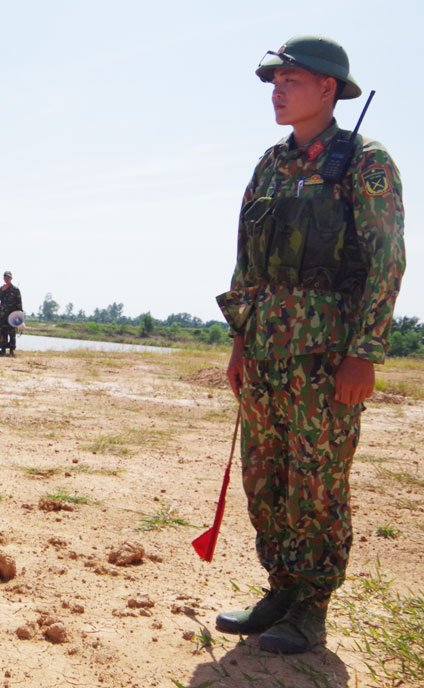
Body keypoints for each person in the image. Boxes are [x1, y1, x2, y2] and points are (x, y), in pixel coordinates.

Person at [215, 36, 404, 654]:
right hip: (266, 350)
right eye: (274, 81)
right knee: (264, 478)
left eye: (290, 80)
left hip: (327, 358)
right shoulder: (270, 164)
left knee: (317, 485)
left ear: (329, 89)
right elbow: (247, 263)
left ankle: (312, 606)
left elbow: (386, 261)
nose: (277, 90)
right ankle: (280, 589)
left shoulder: (365, 162)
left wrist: (365, 352)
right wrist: (240, 343)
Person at [0, 270, 22, 356]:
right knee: (2, 332)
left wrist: (20, 316)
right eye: (5, 277)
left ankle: (11, 351)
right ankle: (2, 350)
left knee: (12, 333)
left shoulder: (15, 290)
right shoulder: (2, 288)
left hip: (12, 315)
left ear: (11, 278)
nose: (6, 279)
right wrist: (2, 290)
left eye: (8, 277)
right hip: (3, 315)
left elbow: (19, 303)